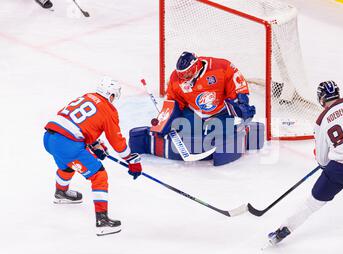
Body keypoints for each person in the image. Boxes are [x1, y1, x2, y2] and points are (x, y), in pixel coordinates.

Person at [268, 81, 343, 245]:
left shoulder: (320, 122)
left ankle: (281, 232)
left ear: (321, 99)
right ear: (338, 93)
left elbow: (322, 159)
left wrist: (328, 168)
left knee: (311, 204)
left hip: (337, 171)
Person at [43, 77, 142, 236]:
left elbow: (79, 124)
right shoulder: (108, 110)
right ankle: (102, 221)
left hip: (49, 138)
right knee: (99, 176)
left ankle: (61, 192)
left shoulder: (87, 96)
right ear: (111, 95)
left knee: (68, 164)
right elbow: (117, 143)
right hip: (68, 144)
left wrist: (92, 143)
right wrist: (131, 160)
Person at [144, 51, 259, 166]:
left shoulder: (221, 67)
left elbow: (237, 88)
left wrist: (241, 105)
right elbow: (174, 102)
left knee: (224, 133)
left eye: (186, 73)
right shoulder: (176, 78)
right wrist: (166, 120)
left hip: (220, 112)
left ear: (196, 66)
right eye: (181, 74)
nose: (183, 78)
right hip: (194, 112)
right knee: (184, 129)